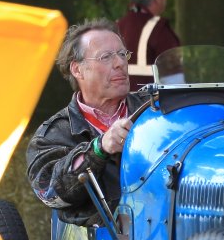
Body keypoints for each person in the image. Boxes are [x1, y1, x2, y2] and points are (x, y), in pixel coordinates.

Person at [27, 18, 142, 226]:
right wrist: (99, 148)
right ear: (77, 69)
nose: (120, 63)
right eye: (106, 57)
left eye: (122, 54)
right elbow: (50, 193)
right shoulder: (52, 134)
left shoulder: (157, 109)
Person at [116, 0, 180, 89]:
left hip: (120, 100)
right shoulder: (159, 29)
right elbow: (176, 79)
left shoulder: (116, 27)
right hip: (151, 100)